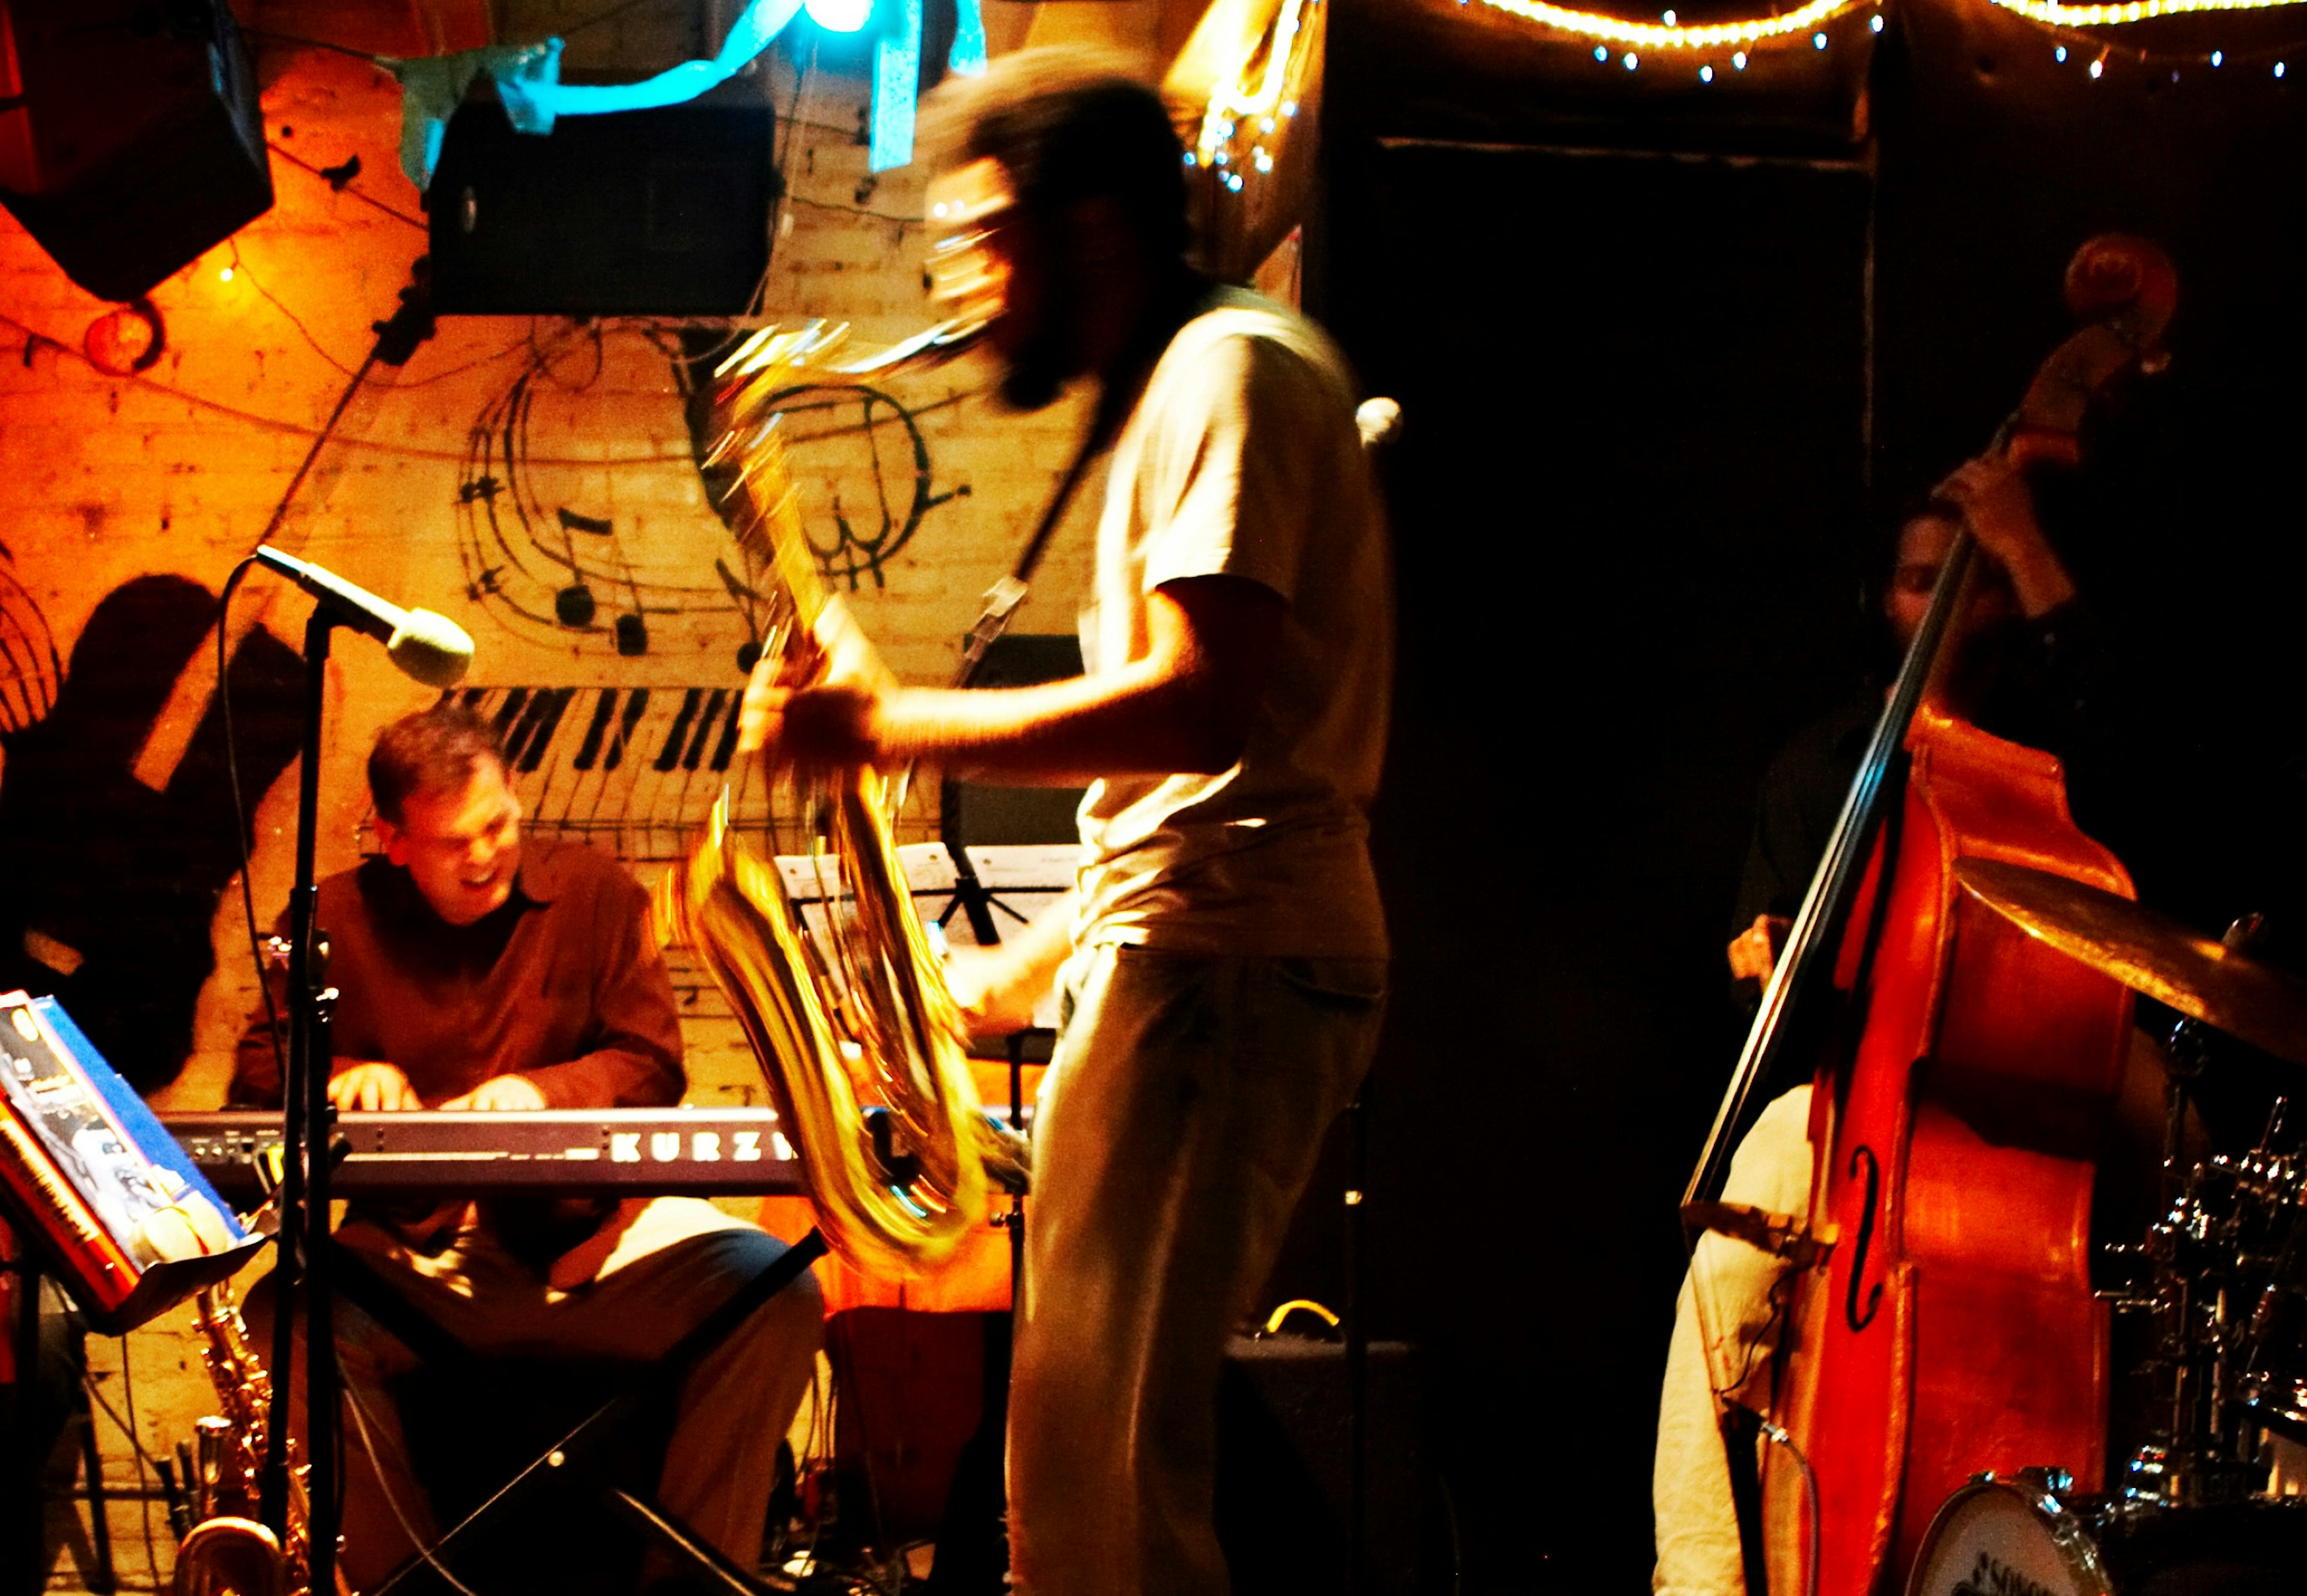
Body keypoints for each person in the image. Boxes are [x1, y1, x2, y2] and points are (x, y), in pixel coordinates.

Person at [744, 52, 1392, 1596]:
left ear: (1091, 225)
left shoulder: (1230, 370)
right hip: (1190, 962)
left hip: (1224, 972)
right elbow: (1196, 786)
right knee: (1074, 1477)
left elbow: (1200, 710)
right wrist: (1018, 977)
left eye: (984, 240)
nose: (962, 290)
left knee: (1106, 1498)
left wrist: (888, 726)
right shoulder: (1192, 381)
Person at [233, 703, 821, 1592]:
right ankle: (409, 1588)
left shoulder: (596, 892)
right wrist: (344, 1074)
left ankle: (687, 1587)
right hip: (417, 1257)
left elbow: (653, 1061)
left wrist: (543, 1094)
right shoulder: (332, 918)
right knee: (284, 1318)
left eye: (498, 825)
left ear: (516, 790)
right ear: (393, 840)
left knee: (775, 1292)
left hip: (595, 1241)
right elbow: (258, 1068)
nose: (485, 856)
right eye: (453, 842)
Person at [1656, 457, 2110, 1596]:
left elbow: (2136, 731)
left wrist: (2024, 543)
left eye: (1974, 577)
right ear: (1883, 601)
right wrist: (1764, 965)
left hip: (2039, 1093)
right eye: (1920, 579)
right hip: (1853, 1103)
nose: (1945, 601)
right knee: (1723, 1267)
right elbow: (1778, 1003)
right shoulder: (1824, 768)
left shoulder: (2061, 754)